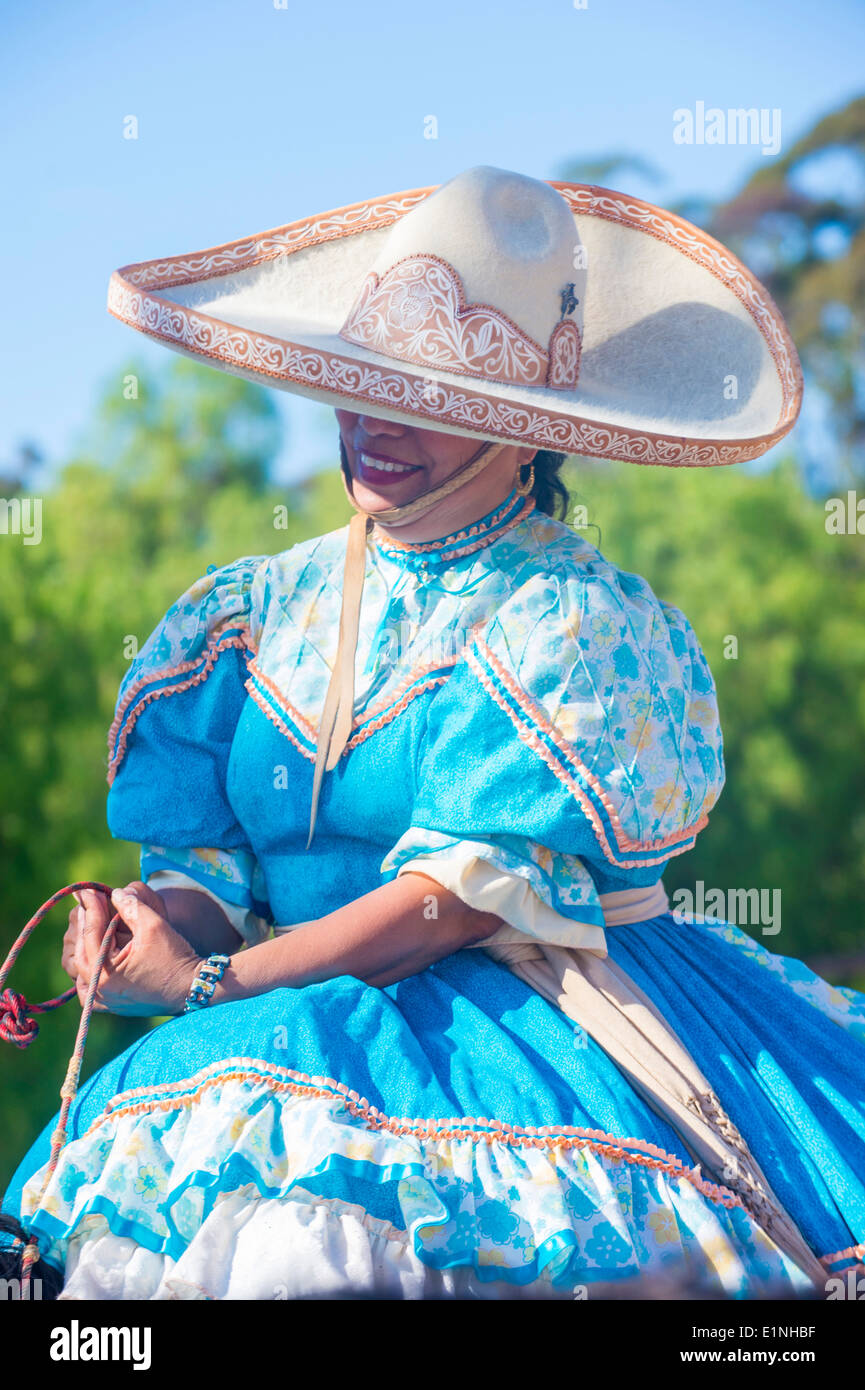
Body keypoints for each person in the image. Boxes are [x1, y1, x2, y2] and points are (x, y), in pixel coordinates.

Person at [3, 167, 864, 1300]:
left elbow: (439, 911)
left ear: (525, 434)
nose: (374, 425)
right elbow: (212, 874)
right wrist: (151, 923)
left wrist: (211, 985)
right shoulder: (244, 616)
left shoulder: (576, 623)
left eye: (428, 398)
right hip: (284, 1025)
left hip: (535, 1030)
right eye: (361, 384)